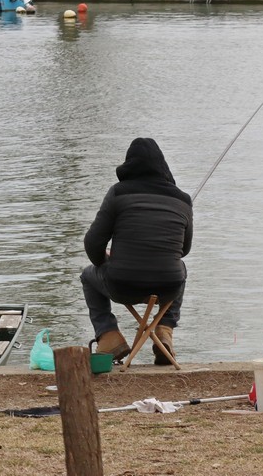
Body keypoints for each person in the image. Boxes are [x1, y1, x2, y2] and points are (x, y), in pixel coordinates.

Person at [81, 137, 193, 365]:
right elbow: (183, 250)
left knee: (87, 275)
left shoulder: (118, 193)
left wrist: (104, 261)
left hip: (123, 285)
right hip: (167, 288)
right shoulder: (183, 200)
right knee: (180, 269)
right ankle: (165, 329)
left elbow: (92, 244)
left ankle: (109, 335)